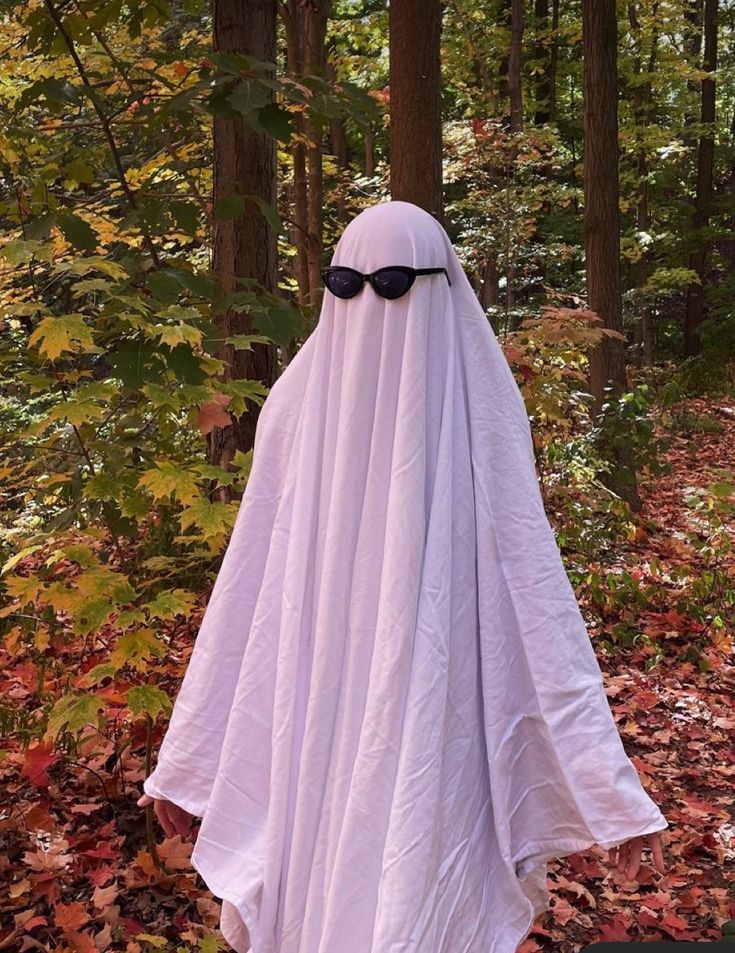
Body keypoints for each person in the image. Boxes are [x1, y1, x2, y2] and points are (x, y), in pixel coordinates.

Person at [138, 200, 668, 953]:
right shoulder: (294, 409)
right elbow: (245, 588)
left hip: (436, 717)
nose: (367, 304)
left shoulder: (480, 411)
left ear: (439, 285)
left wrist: (613, 797)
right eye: (345, 284)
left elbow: (533, 593)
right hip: (309, 721)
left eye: (392, 284)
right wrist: (188, 764)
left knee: (417, 904)